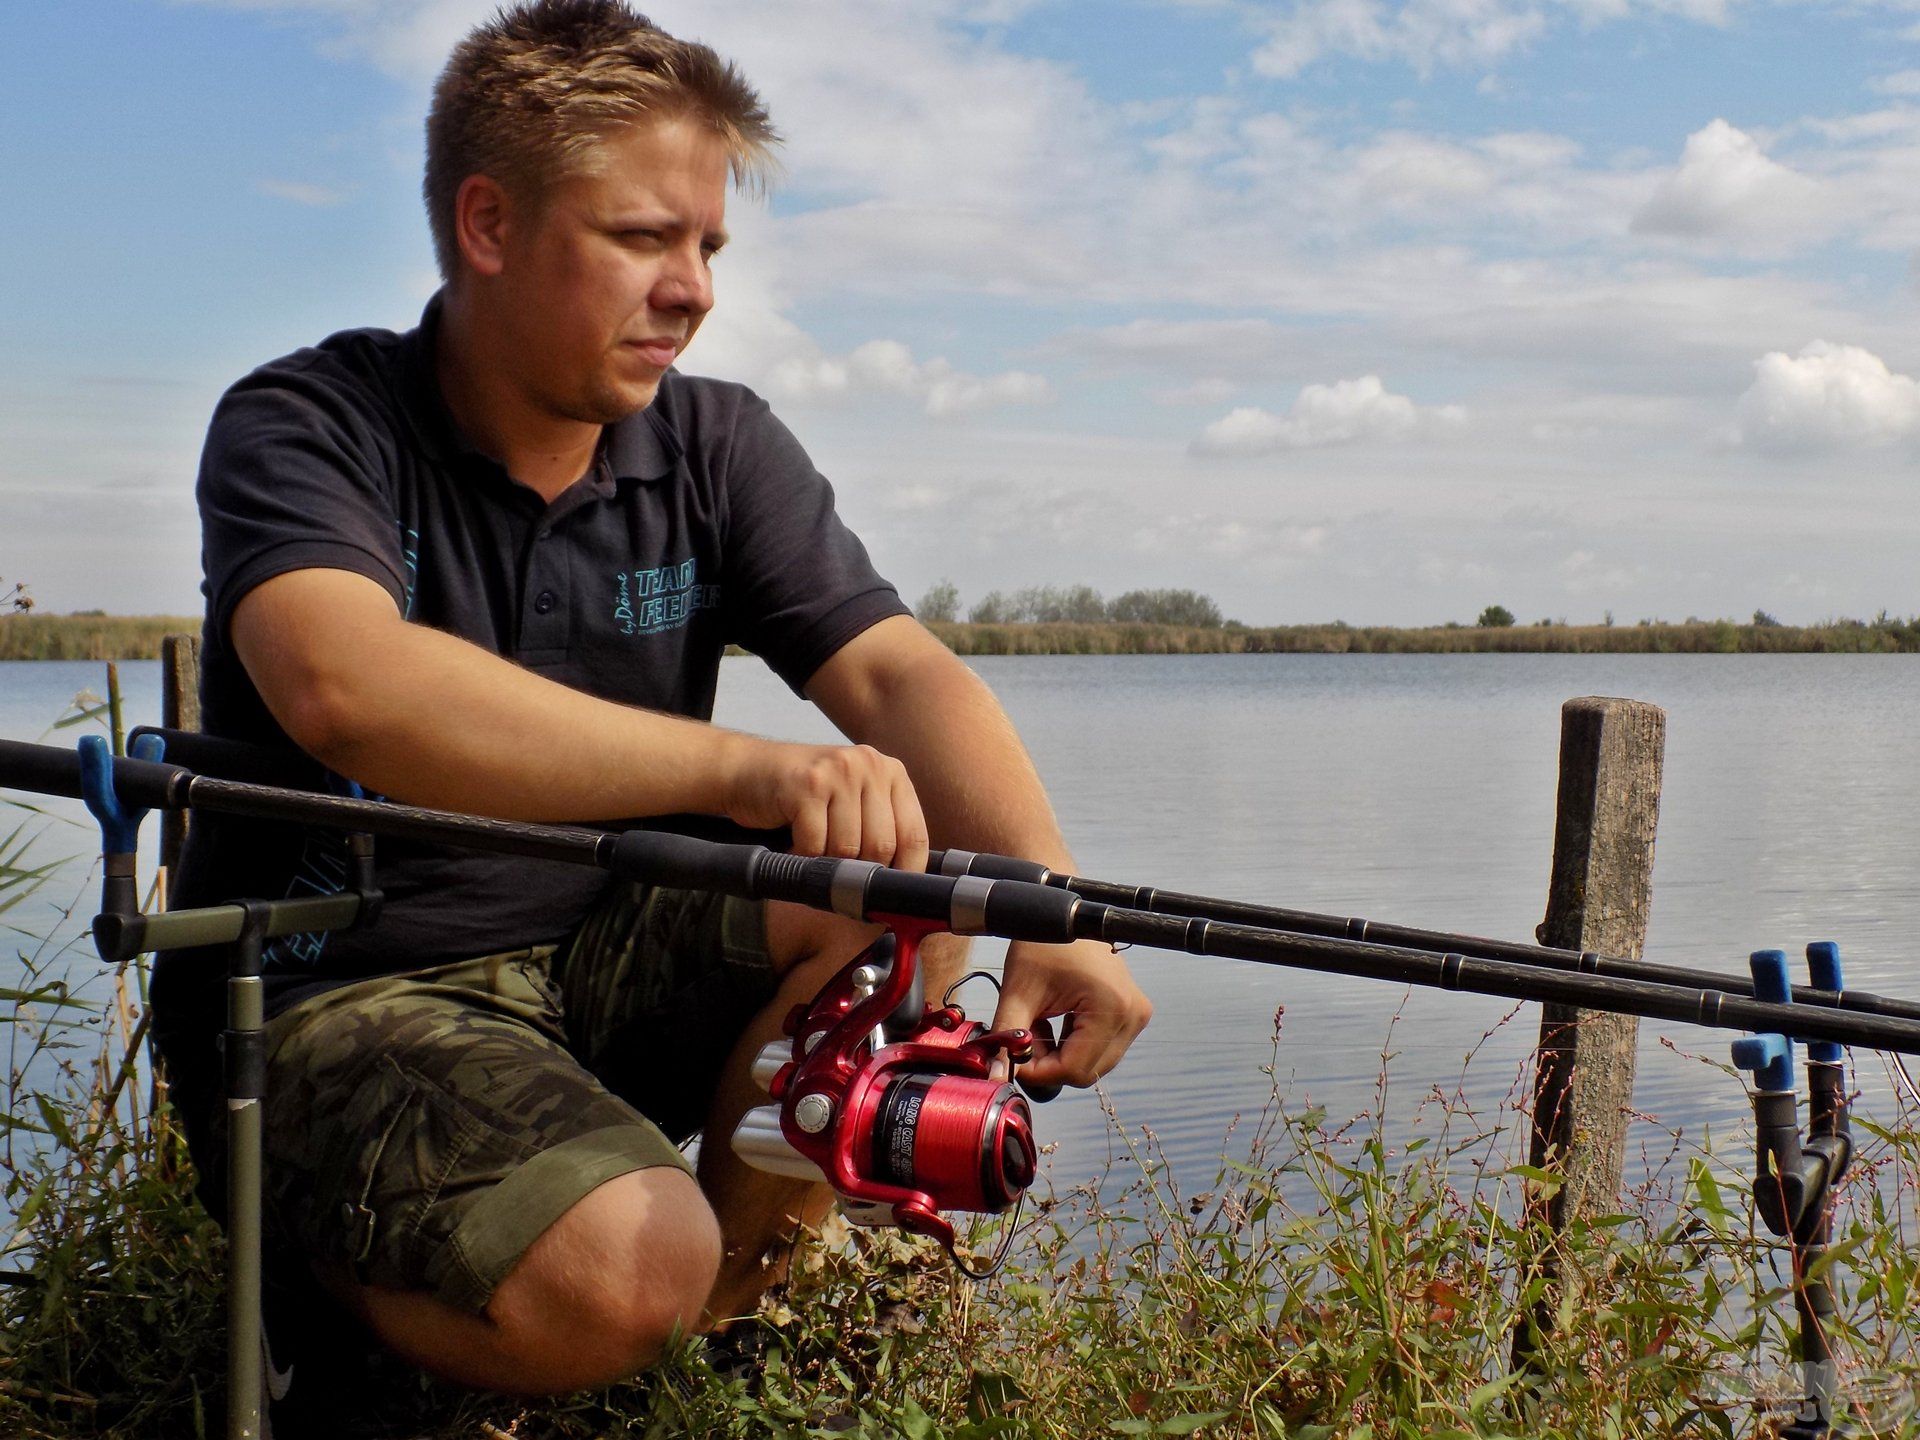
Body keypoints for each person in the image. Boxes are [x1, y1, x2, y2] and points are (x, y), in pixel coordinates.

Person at [150, 0, 1151, 1401]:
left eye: (708, 247)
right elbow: (345, 684)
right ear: (489, 225)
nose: (692, 288)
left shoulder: (716, 442)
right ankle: (353, 1329)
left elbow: (893, 672)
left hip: (599, 950)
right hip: (348, 988)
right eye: (642, 239)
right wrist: (750, 770)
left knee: (885, 871)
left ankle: (712, 1350)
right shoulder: (309, 422)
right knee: (627, 1265)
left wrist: (1056, 903)